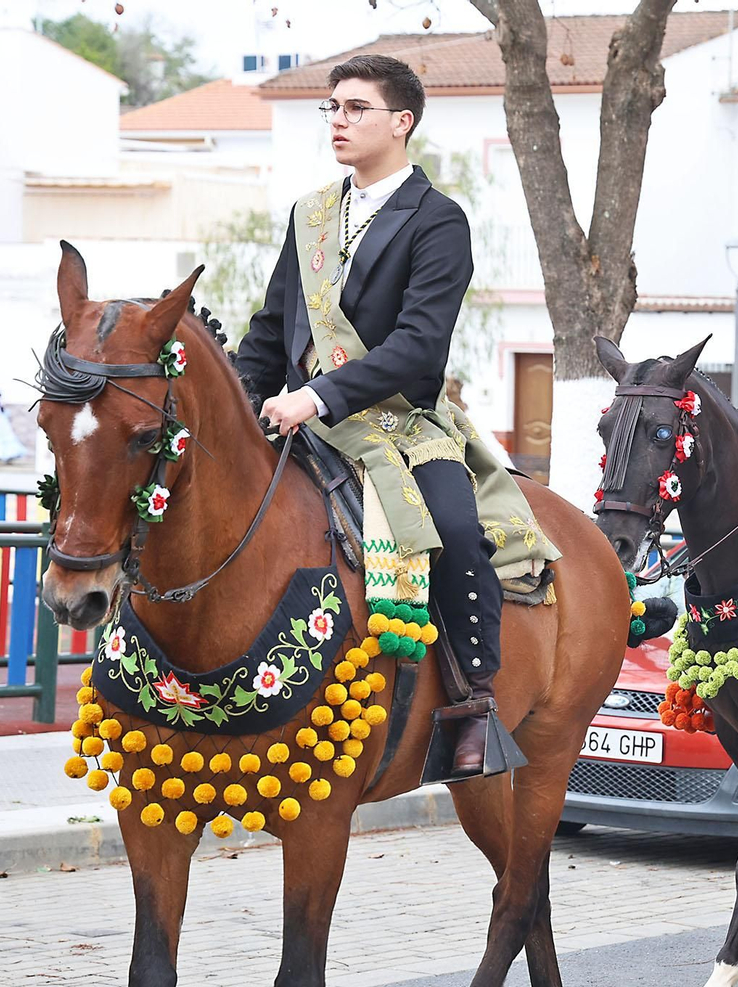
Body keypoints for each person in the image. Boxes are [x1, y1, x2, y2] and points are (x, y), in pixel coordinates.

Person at [233, 54, 502, 779]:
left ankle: (475, 704)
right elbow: (270, 329)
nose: (339, 121)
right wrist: (232, 404)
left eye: (356, 108)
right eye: (333, 108)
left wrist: (317, 395)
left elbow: (419, 346)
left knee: (452, 528)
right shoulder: (311, 212)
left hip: (397, 423)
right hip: (295, 418)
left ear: (401, 121)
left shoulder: (439, 221)